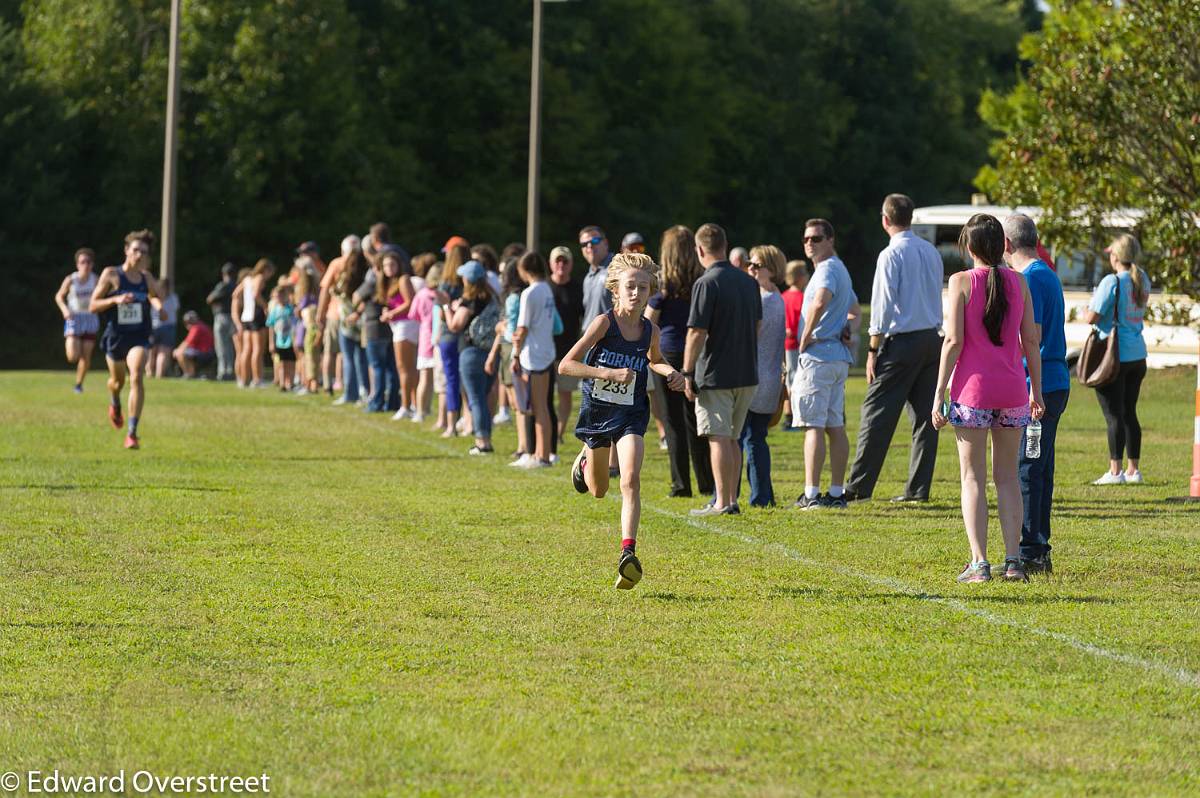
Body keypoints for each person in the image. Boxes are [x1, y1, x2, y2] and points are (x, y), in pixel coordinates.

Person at [560, 253, 687, 590]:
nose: (636, 293)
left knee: (630, 479)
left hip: (632, 411)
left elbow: (654, 360)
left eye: (643, 288)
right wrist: (607, 372)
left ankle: (627, 554)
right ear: (616, 289)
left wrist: (670, 371)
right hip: (598, 411)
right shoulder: (604, 324)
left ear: (650, 292)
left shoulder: (651, 330)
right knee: (598, 490)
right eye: (630, 287)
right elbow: (566, 365)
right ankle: (586, 458)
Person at [931, 213, 1044, 584]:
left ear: (970, 246)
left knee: (973, 478)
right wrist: (1036, 391)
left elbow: (953, 341)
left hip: (972, 393)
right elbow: (1031, 341)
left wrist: (938, 394)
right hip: (1012, 390)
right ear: (1002, 245)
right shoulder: (1020, 283)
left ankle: (979, 563)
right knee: (1008, 478)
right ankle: (1013, 562)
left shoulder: (961, 281)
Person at [846, 194, 945, 503]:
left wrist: (873, 349)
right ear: (910, 218)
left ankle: (859, 487)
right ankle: (918, 489)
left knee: (876, 412)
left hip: (902, 341)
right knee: (925, 420)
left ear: (885, 220)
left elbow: (883, 305)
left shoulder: (891, 255)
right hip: (932, 338)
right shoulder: (930, 251)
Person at [1003, 213, 1069, 574]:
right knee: (1041, 467)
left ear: (1007, 245)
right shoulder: (1048, 272)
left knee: (1028, 468)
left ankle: (1030, 549)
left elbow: (1033, 335)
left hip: (1037, 385)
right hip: (1056, 380)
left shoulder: (1029, 279)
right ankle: (1038, 545)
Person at [683, 223, 762, 516]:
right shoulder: (748, 281)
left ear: (700, 250)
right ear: (725, 246)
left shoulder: (707, 283)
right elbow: (757, 326)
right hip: (746, 372)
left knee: (717, 437)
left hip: (716, 373)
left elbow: (696, 332)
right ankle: (731, 499)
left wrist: (688, 371)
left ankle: (722, 502)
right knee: (732, 438)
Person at [791, 220, 860, 510]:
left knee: (813, 426)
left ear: (830, 239)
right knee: (835, 425)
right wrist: (846, 329)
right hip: (836, 357)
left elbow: (820, 302)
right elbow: (855, 311)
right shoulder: (839, 268)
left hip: (819, 356)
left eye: (817, 238)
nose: (810, 243)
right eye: (806, 238)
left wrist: (804, 339)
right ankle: (835, 493)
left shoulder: (827, 269)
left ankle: (811, 493)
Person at [647, 225, 713, 499]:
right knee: (697, 420)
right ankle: (706, 481)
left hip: (669, 354)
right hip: (697, 353)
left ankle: (681, 484)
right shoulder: (702, 280)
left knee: (672, 421)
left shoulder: (664, 285)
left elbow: (649, 320)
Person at [1083, 233, 1150, 485]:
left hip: (1115, 355)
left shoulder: (1111, 281)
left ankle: (1115, 471)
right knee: (1130, 412)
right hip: (1138, 354)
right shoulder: (1142, 279)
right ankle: (1134, 470)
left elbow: (1092, 316)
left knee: (1113, 415)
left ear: (1116, 256)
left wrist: (1085, 310)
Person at [89, 229, 165, 449]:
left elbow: (155, 296)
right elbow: (93, 305)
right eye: (135, 250)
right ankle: (115, 401)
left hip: (139, 336)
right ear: (126, 251)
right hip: (116, 337)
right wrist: (116, 300)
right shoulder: (112, 274)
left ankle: (132, 433)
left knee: (137, 377)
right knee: (117, 382)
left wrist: (159, 307)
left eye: (143, 251)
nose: (139, 255)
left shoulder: (147, 278)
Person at [739, 245, 787, 507]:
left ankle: (758, 496)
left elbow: (750, 337)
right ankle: (764, 495)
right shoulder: (774, 296)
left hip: (757, 376)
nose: (751, 269)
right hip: (768, 376)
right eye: (749, 264)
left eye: (756, 265)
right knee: (755, 436)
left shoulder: (764, 300)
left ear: (771, 269)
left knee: (749, 438)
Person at [446, 259, 501, 454]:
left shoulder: (469, 300)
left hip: (471, 352)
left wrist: (447, 308)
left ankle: (482, 441)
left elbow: (454, 326)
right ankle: (486, 437)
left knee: (475, 399)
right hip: (491, 352)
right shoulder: (493, 298)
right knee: (484, 397)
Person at [512, 251, 559, 467]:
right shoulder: (547, 289)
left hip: (534, 355)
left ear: (525, 270)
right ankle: (540, 453)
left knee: (539, 407)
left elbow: (522, 328)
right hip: (547, 351)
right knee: (543, 406)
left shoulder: (529, 293)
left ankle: (542, 455)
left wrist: (514, 352)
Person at [490, 258, 531, 459]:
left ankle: (524, 445)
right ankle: (523, 444)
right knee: (518, 402)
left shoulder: (514, 298)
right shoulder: (524, 294)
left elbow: (511, 330)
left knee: (518, 402)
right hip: (514, 350)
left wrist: (500, 327)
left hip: (511, 350)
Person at [548, 245, 584, 443]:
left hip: (569, 352)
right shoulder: (544, 287)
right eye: (557, 260)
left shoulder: (578, 288)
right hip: (546, 351)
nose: (561, 264)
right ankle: (550, 432)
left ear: (570, 264)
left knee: (565, 394)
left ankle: (559, 434)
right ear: (551, 264)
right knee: (545, 397)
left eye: (565, 261)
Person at [378, 249, 418, 418]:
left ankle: (406, 406)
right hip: (399, 325)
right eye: (385, 265)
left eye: (392, 264)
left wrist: (392, 314)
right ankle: (415, 405)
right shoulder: (390, 282)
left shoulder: (403, 279)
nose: (388, 268)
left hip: (405, 326)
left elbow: (411, 302)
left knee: (404, 368)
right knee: (407, 368)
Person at [54, 247, 100, 392]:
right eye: (82, 262)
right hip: (73, 318)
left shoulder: (96, 279)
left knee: (86, 356)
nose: (85, 265)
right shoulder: (71, 280)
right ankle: (77, 348)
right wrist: (64, 309)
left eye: (88, 262)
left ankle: (79, 384)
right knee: (73, 356)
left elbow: (104, 294)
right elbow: (59, 296)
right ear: (77, 264)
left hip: (90, 317)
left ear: (92, 264)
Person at [436, 243, 469, 436]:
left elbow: (440, 314)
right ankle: (467, 422)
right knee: (465, 381)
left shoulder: (445, 284)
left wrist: (448, 308)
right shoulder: (469, 283)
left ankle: (451, 425)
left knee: (451, 380)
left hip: (448, 335)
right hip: (465, 336)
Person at [231, 258, 275, 388]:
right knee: (258, 350)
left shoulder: (247, 279)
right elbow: (256, 294)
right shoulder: (259, 278)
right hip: (256, 315)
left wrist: (244, 303)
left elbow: (235, 294)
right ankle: (257, 379)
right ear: (265, 269)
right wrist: (265, 306)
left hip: (246, 316)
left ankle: (244, 380)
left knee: (246, 350)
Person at [409, 263, 442, 424]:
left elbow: (413, 315)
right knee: (439, 379)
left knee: (425, 377)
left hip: (425, 336)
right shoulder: (442, 294)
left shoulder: (421, 294)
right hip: (439, 336)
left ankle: (421, 411)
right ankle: (427, 410)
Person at [781, 259, 809, 421]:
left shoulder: (783, 296)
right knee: (796, 380)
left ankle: (789, 415)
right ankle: (791, 416)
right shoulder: (802, 298)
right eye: (805, 273)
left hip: (784, 345)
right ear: (799, 277)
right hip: (797, 345)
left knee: (789, 379)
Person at [206, 262, 237, 381]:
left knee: (222, 346)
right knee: (232, 346)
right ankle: (231, 370)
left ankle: (224, 372)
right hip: (234, 317)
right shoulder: (236, 285)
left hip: (222, 317)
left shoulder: (223, 285)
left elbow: (210, 299)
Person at [266, 283, 297, 392]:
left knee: (291, 362)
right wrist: (271, 342)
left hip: (290, 340)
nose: (278, 299)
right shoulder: (275, 311)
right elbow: (270, 326)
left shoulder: (291, 309)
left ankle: (291, 383)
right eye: (276, 297)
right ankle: (282, 383)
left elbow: (295, 325)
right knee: (282, 363)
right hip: (279, 341)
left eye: (280, 296)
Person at [579, 225, 614, 325]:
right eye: (584, 244)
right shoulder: (588, 277)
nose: (589, 246)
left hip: (611, 338)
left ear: (606, 243)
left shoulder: (617, 268)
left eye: (594, 241)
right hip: (590, 337)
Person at [150, 277, 180, 377]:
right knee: (163, 352)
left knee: (151, 352)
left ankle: (149, 373)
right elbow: (175, 309)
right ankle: (159, 375)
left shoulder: (153, 298)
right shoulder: (173, 298)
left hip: (154, 326)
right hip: (168, 327)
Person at [173, 311, 215, 378]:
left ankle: (189, 374)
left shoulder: (196, 327)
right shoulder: (201, 325)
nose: (187, 325)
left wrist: (178, 350)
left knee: (180, 353)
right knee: (184, 352)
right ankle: (191, 374)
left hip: (205, 353)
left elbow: (187, 342)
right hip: (208, 352)